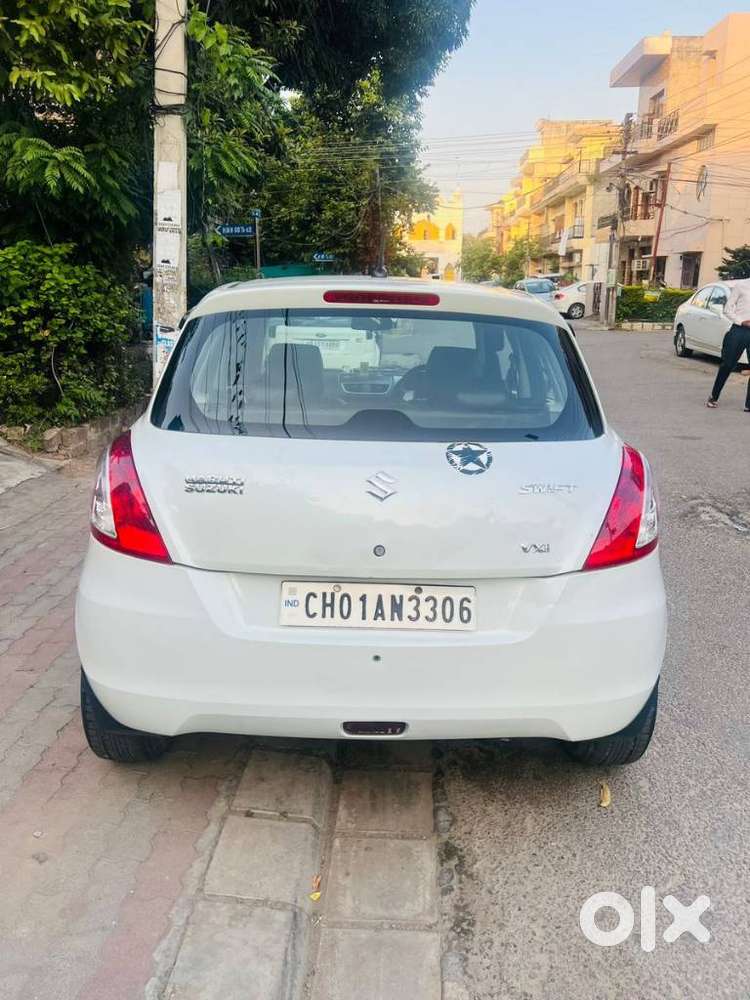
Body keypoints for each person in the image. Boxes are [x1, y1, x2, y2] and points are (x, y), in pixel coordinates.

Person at [707, 278, 750, 410]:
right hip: (739, 330)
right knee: (728, 364)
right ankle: (713, 396)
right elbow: (727, 309)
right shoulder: (741, 286)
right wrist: (741, 321)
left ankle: (748, 405)